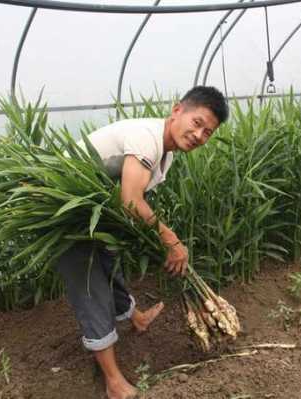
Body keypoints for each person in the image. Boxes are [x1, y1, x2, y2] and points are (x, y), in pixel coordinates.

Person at [55, 86, 229, 399]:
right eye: (197, 122)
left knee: (108, 258)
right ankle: (114, 383)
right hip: (63, 208)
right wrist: (170, 239)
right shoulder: (146, 138)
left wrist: (155, 240)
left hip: (91, 209)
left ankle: (136, 318)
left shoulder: (167, 153)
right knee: (90, 284)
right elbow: (131, 201)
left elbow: (133, 203)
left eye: (208, 132)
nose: (199, 134)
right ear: (177, 110)